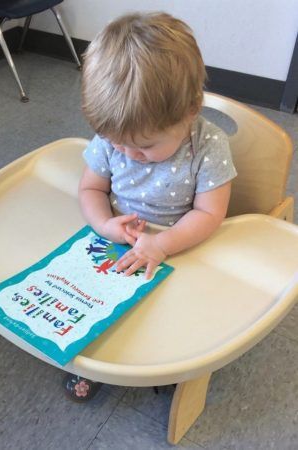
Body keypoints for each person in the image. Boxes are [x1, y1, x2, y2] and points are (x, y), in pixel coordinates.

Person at [63, 11, 237, 401]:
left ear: (191, 110)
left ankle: (168, 359)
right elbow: (90, 189)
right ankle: (93, 360)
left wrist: (163, 245)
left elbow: (211, 214)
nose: (129, 154)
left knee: (173, 315)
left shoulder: (208, 148)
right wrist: (105, 225)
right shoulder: (114, 139)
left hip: (184, 244)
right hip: (121, 240)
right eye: (118, 143)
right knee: (94, 302)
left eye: (145, 146)